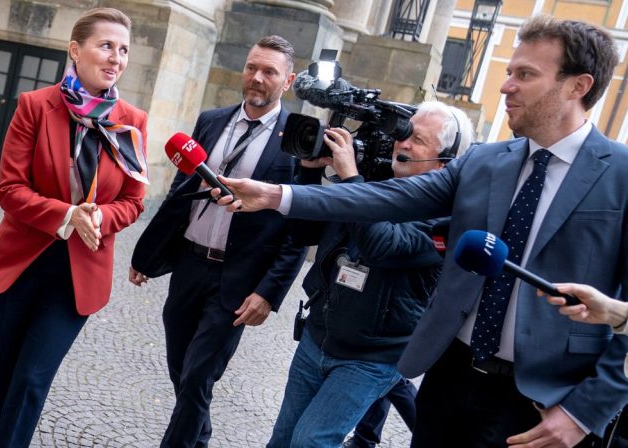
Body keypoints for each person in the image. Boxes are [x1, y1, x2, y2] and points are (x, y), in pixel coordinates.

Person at [219, 15, 628, 447]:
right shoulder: (486, 162)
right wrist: (277, 195)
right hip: (450, 377)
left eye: (525, 75)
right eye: (508, 72)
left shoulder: (620, 176)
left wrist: (584, 413)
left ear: (577, 86)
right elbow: (384, 200)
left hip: (540, 403)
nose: (507, 86)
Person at [0, 8, 148, 447]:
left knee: (32, 380)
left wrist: (100, 216)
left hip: (78, 274)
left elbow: (132, 201)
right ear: (76, 50)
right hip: (20, 262)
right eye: (106, 45)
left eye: (124, 49)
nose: (116, 58)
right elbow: (10, 189)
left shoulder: (132, 122)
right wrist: (65, 214)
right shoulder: (35, 106)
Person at [129, 35, 306, 448]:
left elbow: (298, 232)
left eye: (269, 72)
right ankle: (200, 437)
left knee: (197, 376)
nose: (256, 79)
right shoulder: (211, 120)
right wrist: (148, 256)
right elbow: (179, 196)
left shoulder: (297, 144)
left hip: (238, 280)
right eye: (251, 67)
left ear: (288, 80)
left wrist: (269, 293)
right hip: (190, 266)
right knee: (181, 370)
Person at [266, 101, 474, 448]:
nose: (402, 144)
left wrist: (351, 180)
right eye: (402, 135)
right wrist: (308, 171)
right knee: (282, 440)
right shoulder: (373, 184)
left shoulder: (448, 218)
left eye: (417, 140)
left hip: (372, 357)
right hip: (319, 336)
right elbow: (305, 235)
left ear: (445, 161)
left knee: (310, 442)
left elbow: (384, 246)